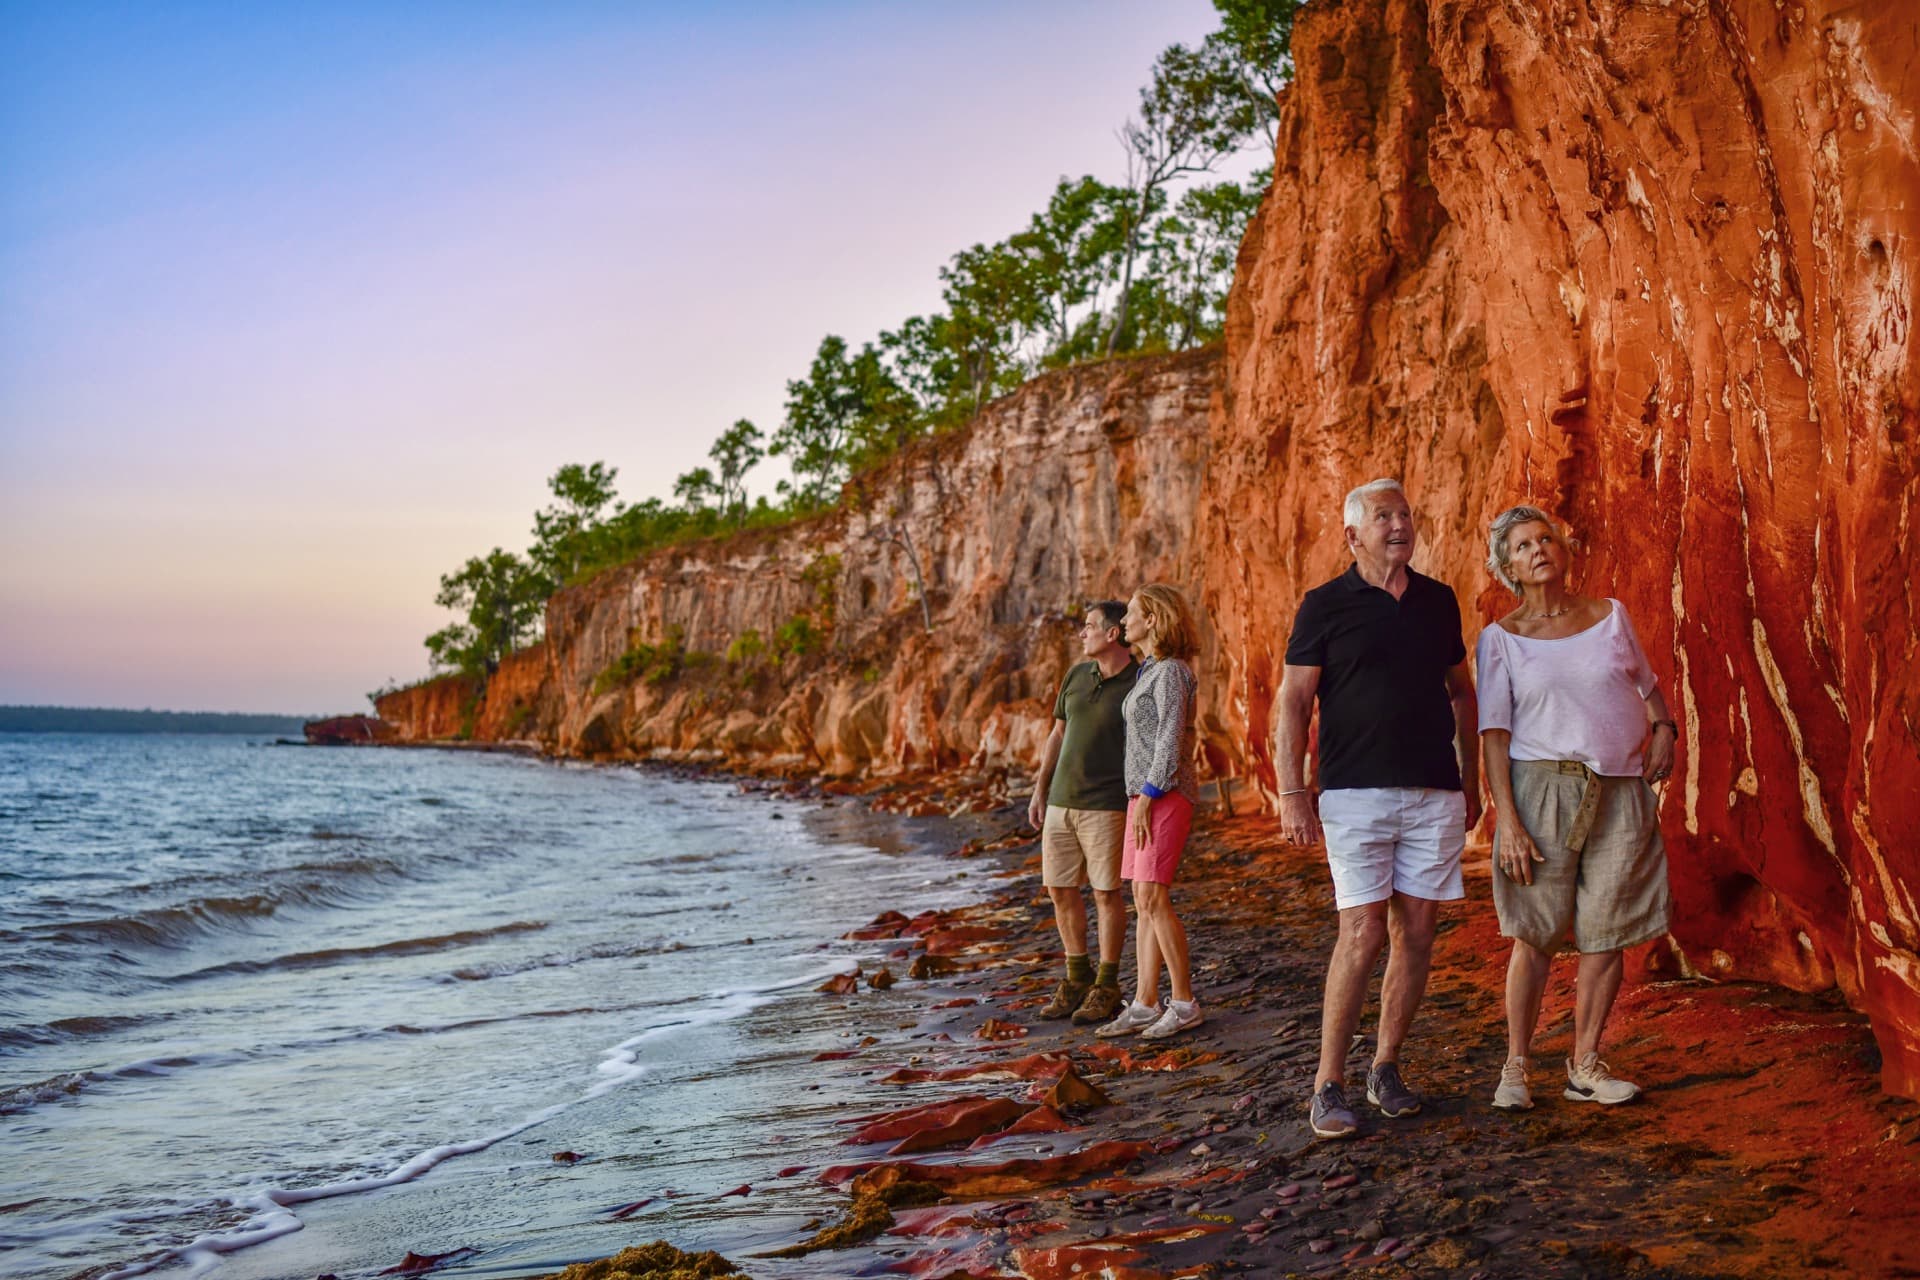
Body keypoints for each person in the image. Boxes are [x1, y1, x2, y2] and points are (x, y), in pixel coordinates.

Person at [1276, 478, 1481, 1140]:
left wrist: (1469, 780)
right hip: (1353, 793)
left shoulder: (1438, 602)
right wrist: (1292, 791)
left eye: (1405, 514)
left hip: (1433, 791)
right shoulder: (1324, 605)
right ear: (1352, 534)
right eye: (1383, 515)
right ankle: (1327, 1084)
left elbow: (1462, 693)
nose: (1400, 524)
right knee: (1361, 933)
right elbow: (1293, 703)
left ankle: (1385, 1067)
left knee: (1417, 933)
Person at [1476, 504, 1676, 1110]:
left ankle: (1584, 1063)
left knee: (1607, 930)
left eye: (1545, 539)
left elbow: (1646, 683)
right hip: (1542, 792)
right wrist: (1506, 820)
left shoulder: (1611, 616)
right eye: (1521, 546)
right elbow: (1493, 736)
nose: (1537, 549)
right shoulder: (1501, 639)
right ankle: (1516, 1067)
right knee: (1535, 933)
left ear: (1564, 550)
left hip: (1620, 790)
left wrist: (1663, 726)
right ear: (1506, 566)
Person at [1095, 583, 1206, 1041]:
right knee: (1142, 899)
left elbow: (1170, 737)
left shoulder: (1172, 673)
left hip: (1164, 794)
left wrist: (1148, 794)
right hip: (1142, 795)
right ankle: (1144, 1002)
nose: (1125, 621)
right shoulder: (1150, 671)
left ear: (1154, 620)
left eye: (1134, 613)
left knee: (1154, 898)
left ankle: (1184, 1002)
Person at [1028, 602, 1138, 1025]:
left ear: (1113, 634)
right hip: (1060, 801)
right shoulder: (1076, 675)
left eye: (1090, 626)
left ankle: (1107, 986)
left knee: (1106, 894)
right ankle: (1078, 976)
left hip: (1107, 805)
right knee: (1059, 889)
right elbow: (1057, 734)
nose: (1082, 633)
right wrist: (1040, 789)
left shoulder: (1138, 680)